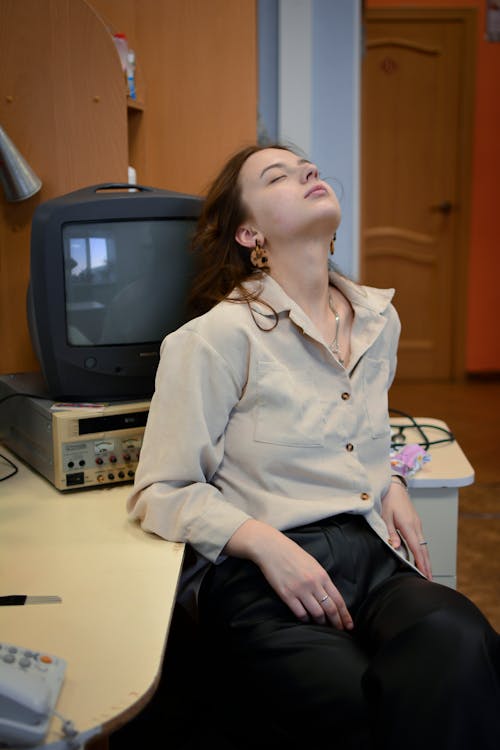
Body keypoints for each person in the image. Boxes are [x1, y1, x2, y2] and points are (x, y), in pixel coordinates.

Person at [127, 144, 500, 749]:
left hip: (371, 555)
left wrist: (392, 481)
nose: (307, 175)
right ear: (251, 233)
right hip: (264, 572)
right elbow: (161, 492)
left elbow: (355, 435)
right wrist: (266, 544)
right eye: (278, 176)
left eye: (310, 170)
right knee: (357, 708)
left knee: (462, 642)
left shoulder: (379, 320)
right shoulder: (216, 338)